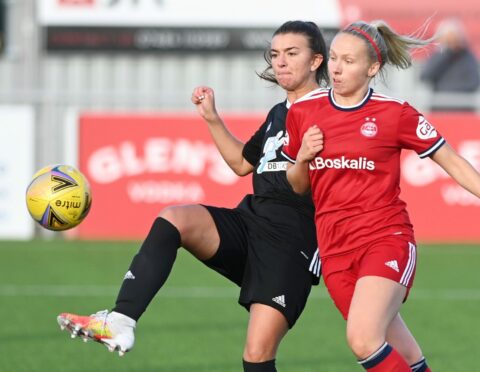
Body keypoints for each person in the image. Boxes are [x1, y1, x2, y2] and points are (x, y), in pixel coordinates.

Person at [56, 20, 328, 372]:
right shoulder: (280, 113)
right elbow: (242, 164)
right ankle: (122, 319)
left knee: (257, 357)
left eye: (292, 54)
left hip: (292, 244)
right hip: (251, 223)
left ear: (316, 61)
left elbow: (311, 186)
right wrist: (212, 118)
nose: (280, 62)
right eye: (275, 54)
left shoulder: (330, 113)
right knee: (175, 218)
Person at [283, 20, 480, 372]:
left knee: (362, 339)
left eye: (348, 60)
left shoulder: (395, 114)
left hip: (385, 238)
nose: (336, 68)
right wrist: (302, 158)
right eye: (334, 58)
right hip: (333, 248)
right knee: (405, 356)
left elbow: (449, 158)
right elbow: (298, 184)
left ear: (372, 67)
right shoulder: (303, 111)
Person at [420, 18, 480, 112]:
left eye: (453, 37)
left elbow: (475, 82)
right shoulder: (438, 55)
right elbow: (425, 76)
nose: (451, 41)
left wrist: (453, 95)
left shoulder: (468, 57)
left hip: (463, 111)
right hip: (440, 110)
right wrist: (447, 52)